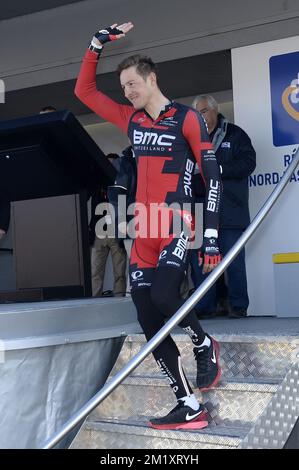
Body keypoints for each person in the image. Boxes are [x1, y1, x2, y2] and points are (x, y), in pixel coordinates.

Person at [75, 22, 222, 431]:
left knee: (162, 295)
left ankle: (203, 342)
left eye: (131, 84)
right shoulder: (132, 121)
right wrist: (96, 44)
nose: (127, 92)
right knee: (144, 313)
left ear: (151, 78)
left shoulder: (188, 118)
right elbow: (84, 92)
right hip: (144, 231)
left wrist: (209, 236)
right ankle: (188, 403)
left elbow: (214, 179)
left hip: (177, 222)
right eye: (122, 88)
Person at [191, 95, 256, 318]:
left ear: (215, 111)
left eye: (204, 111)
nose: (202, 117)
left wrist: (219, 169)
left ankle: (238, 306)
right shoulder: (192, 138)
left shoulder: (235, 134)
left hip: (230, 210)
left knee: (233, 262)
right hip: (200, 211)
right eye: (197, 113)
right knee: (201, 263)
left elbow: (249, 163)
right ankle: (205, 307)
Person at [89, 153, 127, 297]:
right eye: (107, 164)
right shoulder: (97, 183)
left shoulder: (122, 183)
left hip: (117, 232)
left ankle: (119, 298)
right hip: (99, 232)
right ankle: (94, 299)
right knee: (95, 271)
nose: (110, 166)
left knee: (120, 272)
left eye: (113, 164)